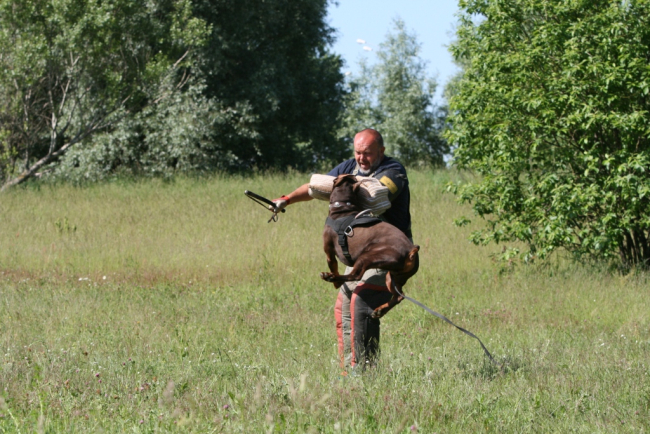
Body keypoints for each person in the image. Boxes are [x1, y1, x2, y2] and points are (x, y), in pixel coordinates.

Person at [271, 128, 412, 372]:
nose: (361, 158)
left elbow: (377, 195)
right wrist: (286, 199)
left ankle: (365, 371)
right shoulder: (349, 167)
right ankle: (349, 370)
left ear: (381, 151)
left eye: (367, 153)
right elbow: (316, 187)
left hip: (389, 251)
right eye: (358, 152)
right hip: (361, 251)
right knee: (344, 305)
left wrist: (345, 188)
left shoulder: (394, 171)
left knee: (361, 301)